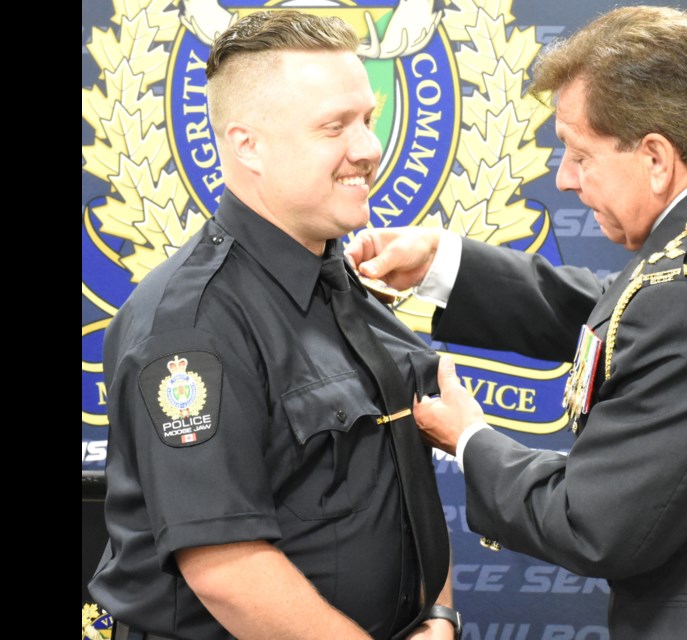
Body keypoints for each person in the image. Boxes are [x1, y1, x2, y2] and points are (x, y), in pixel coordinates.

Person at [347, 6, 687, 639]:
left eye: (579, 154)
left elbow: (589, 525)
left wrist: (470, 439)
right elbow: (628, 311)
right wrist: (442, 262)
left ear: (655, 158)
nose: (564, 179)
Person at [88, 11, 460, 640]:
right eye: (333, 126)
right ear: (246, 145)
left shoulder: (344, 283)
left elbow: (407, 479)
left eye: (368, 119)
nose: (368, 149)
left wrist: (439, 615)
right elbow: (228, 569)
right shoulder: (191, 327)